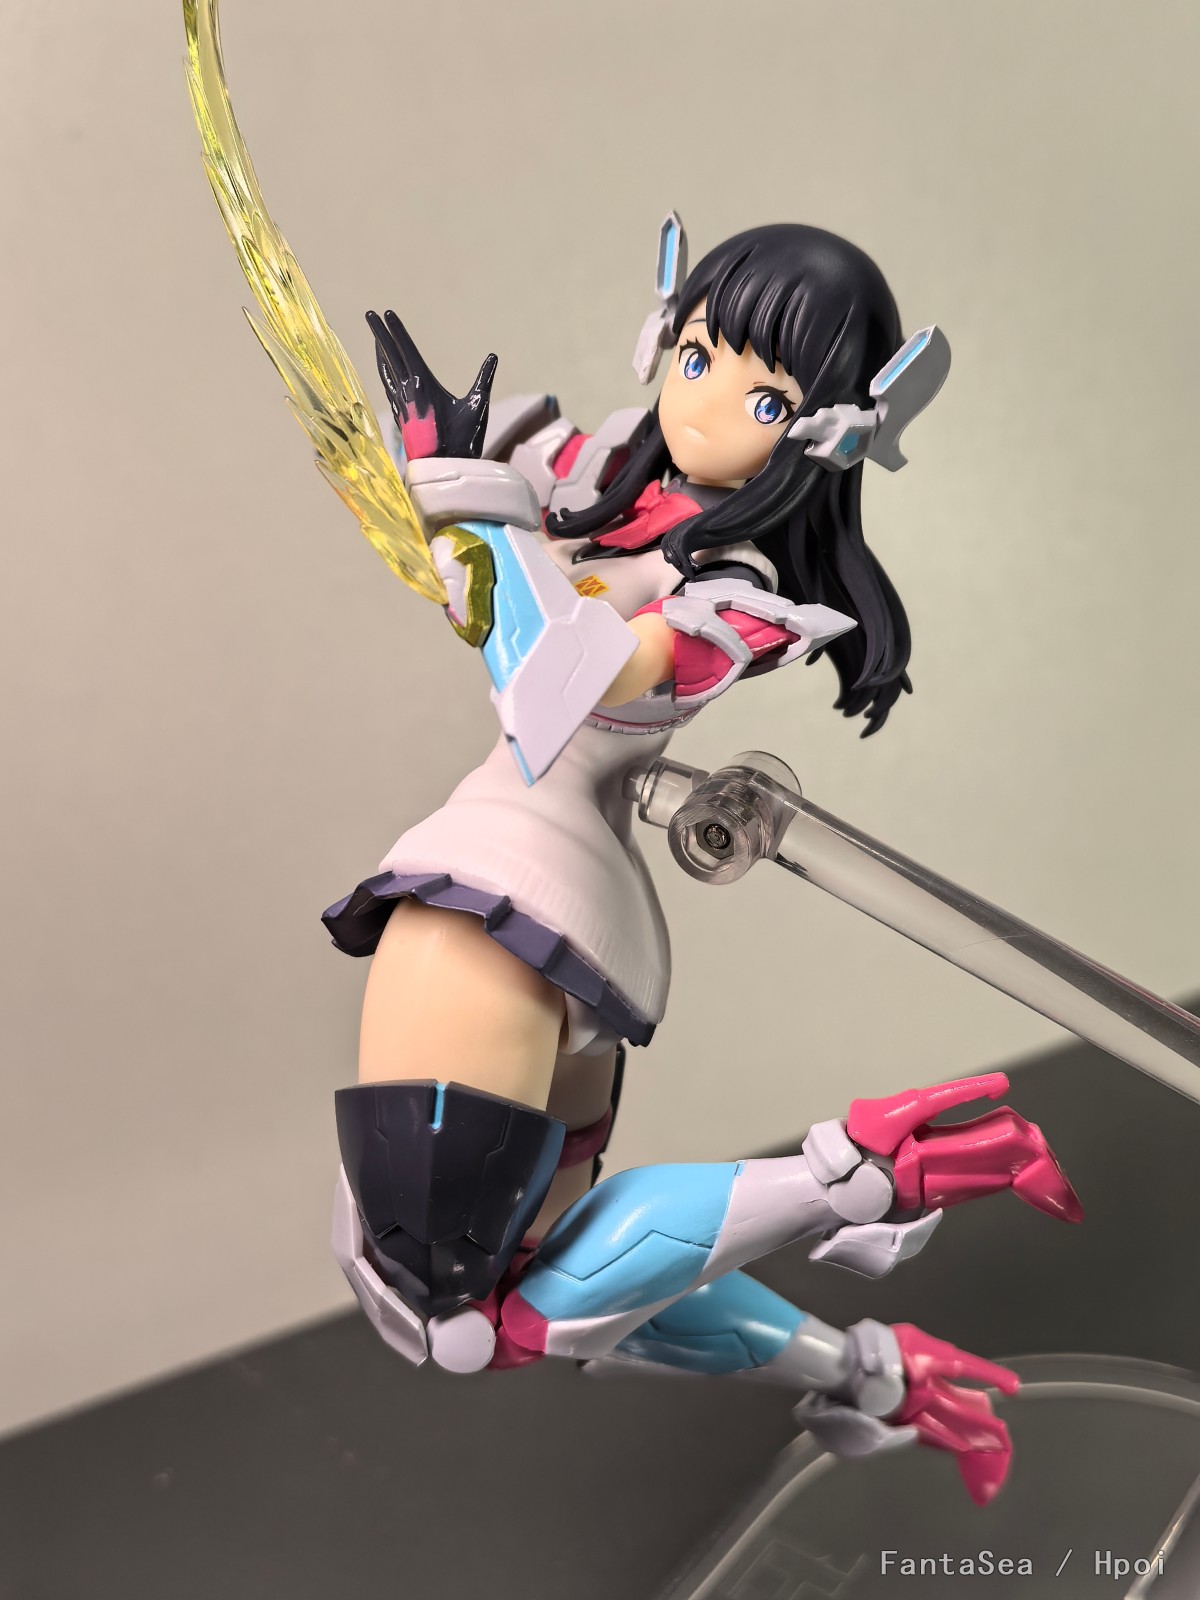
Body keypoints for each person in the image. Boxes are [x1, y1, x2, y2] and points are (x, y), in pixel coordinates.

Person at [324, 222, 1082, 1506]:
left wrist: (469, 501)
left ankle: (849, 1176)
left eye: (766, 396)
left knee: (451, 1315)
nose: (709, 401)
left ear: (826, 432)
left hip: (496, 899)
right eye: (697, 355)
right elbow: (507, 532)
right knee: (540, 1277)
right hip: (554, 911)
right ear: (662, 336)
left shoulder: (739, 596)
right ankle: (868, 1369)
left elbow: (554, 685)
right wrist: (456, 477)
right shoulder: (614, 482)